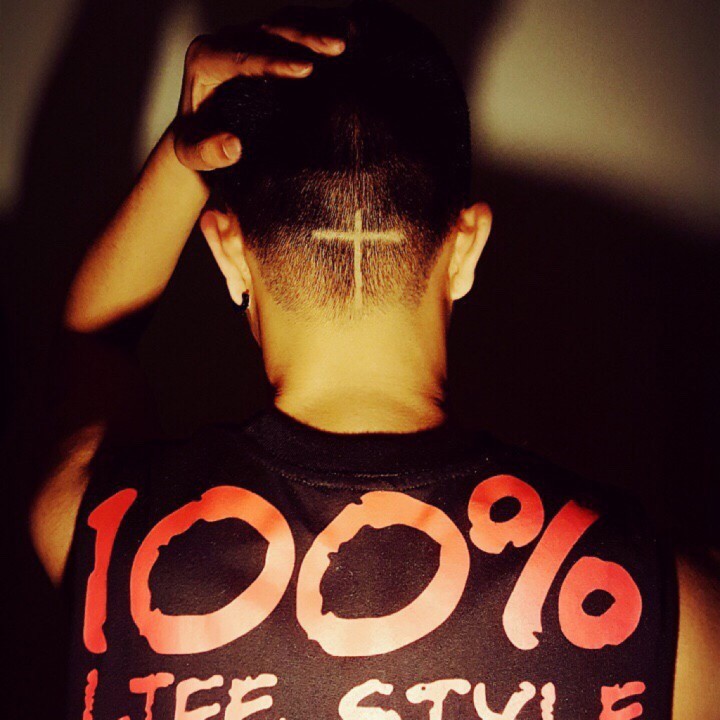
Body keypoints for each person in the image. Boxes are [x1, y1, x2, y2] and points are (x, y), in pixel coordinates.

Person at [28, 1, 718, 718]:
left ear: (228, 254)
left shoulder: (107, 538)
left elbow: (93, 342)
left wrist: (181, 160)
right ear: (467, 249)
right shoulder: (668, 611)